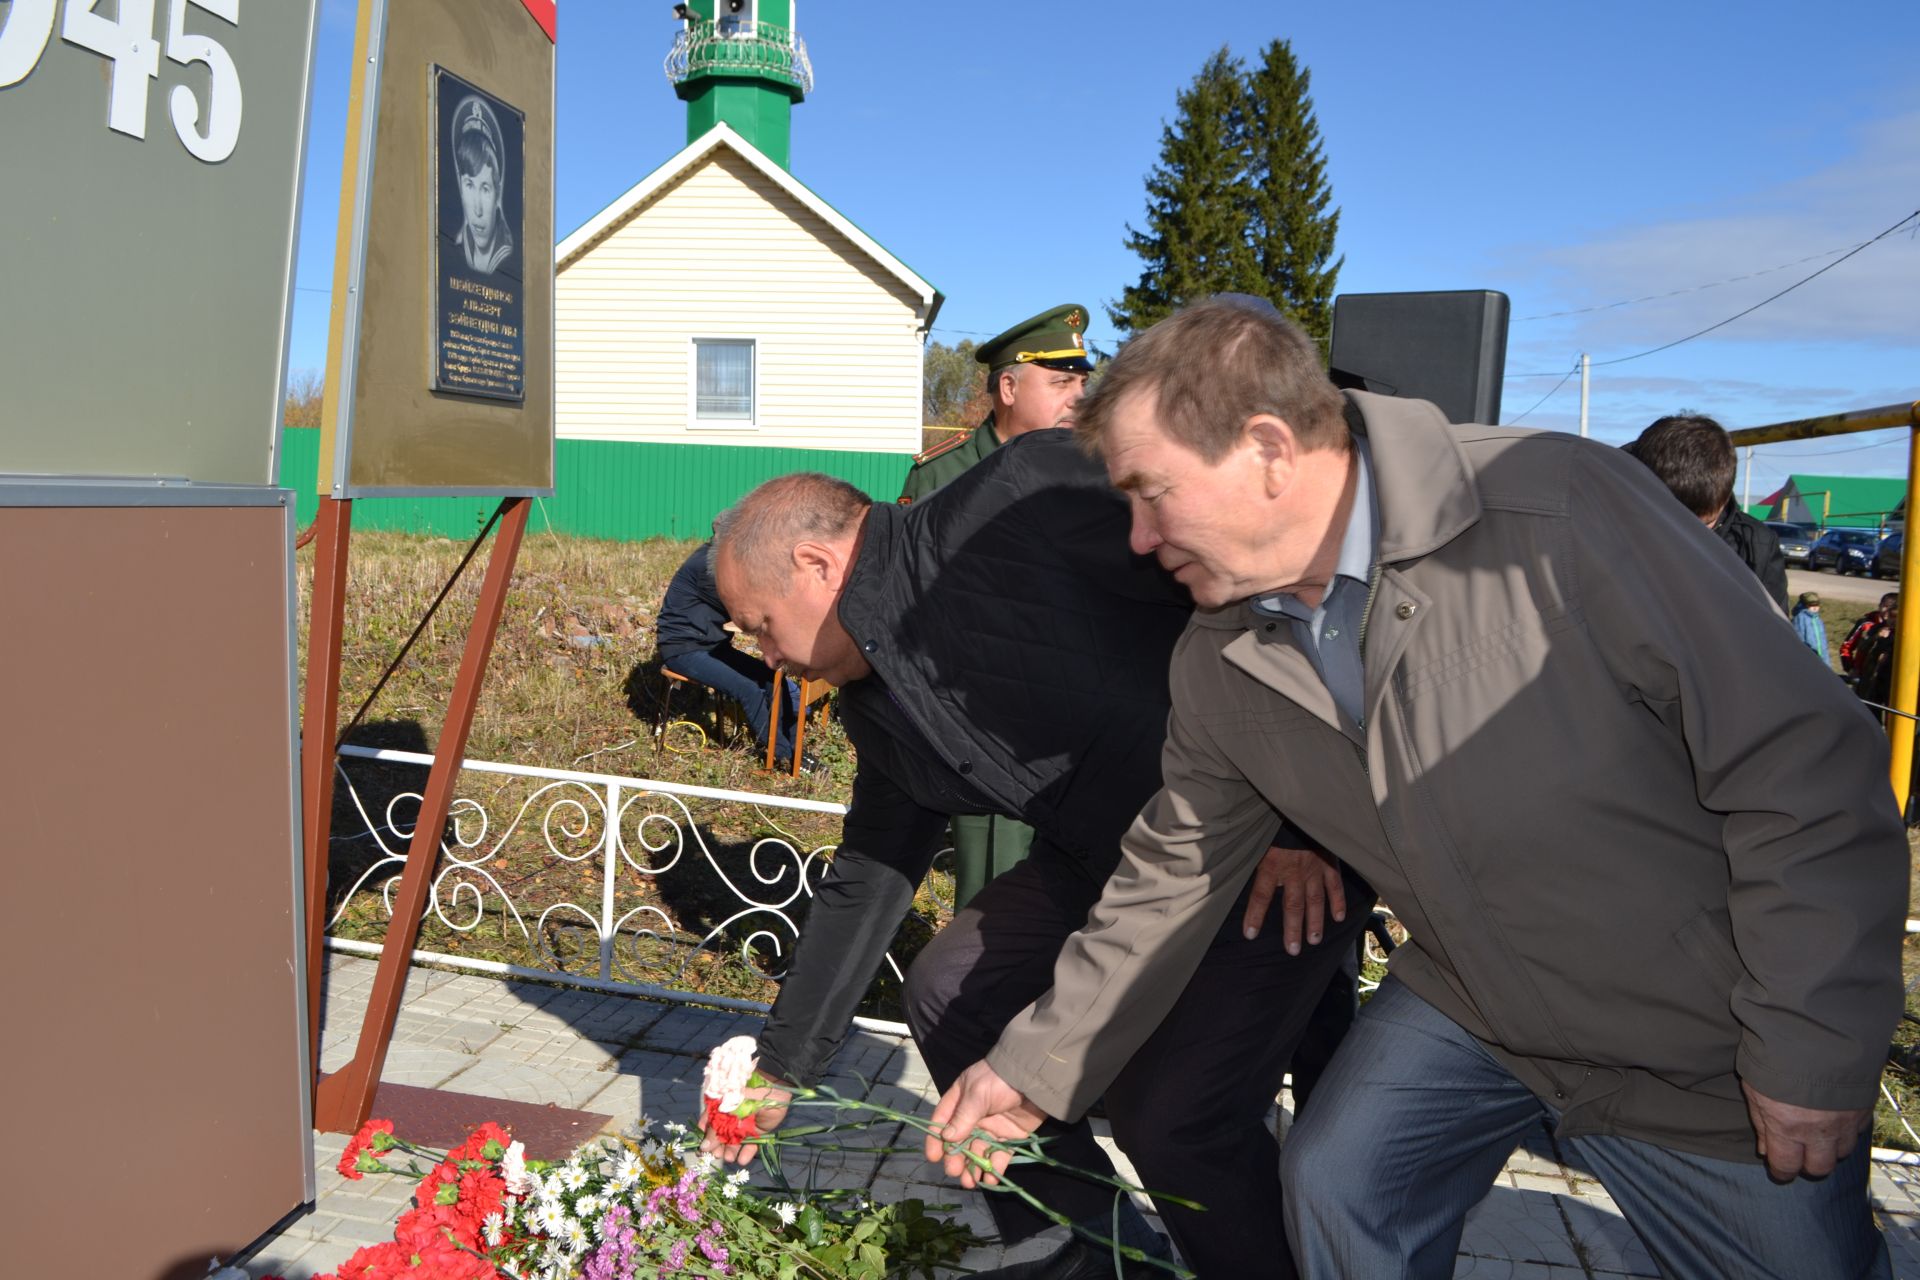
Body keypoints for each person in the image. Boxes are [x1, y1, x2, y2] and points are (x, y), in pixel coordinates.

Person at [929, 299, 1906, 1280]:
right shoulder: (1221, 655)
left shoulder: (1556, 508)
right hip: (1474, 996)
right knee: (1340, 1180)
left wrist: (1810, 1040)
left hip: (1700, 1032)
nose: (1138, 537)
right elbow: (1167, 878)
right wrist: (1034, 1068)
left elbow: (1806, 761)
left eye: (1152, 493)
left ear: (1269, 449)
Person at [702, 441, 1371, 1280]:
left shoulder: (1020, 499)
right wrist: (781, 1068)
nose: (766, 655)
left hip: (1264, 839)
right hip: (1115, 859)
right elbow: (870, 873)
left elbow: (1258, 574)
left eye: (761, 625)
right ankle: (1097, 1251)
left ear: (815, 563)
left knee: (1172, 1119)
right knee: (949, 991)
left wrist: (1299, 810)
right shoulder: (876, 705)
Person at [899, 305, 1097, 908]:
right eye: (1062, 382)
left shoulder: (1092, 473)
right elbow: (908, 604)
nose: (1079, 398)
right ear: (1008, 387)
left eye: (1083, 383)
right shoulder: (943, 477)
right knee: (990, 885)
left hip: (1079, 724)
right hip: (981, 719)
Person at [654, 540, 798, 769]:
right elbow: (744, 609)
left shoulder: (722, 562)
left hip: (711, 646)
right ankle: (782, 757)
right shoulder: (707, 567)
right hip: (683, 649)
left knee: (772, 677)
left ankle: (794, 747)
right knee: (748, 690)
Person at [1623, 413, 1788, 611]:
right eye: (1672, 525)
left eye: (1705, 525)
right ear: (1643, 493)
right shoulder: (1600, 525)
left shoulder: (1755, 546)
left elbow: (1773, 633)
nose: (1688, 539)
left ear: (1724, 497)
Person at [450, 94, 514, 276]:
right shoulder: (458, 247)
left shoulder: (508, 258)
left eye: (485, 189)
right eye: (469, 185)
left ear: (497, 193)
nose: (477, 210)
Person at [1843, 592, 1898, 677]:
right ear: (1879, 605)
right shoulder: (1867, 624)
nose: (1887, 611)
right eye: (1885, 606)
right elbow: (1847, 647)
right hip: (1862, 674)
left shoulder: (1900, 631)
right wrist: (1850, 668)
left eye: (1892, 610)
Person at [1792, 591, 1830, 663]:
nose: (1815, 608)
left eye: (1817, 605)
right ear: (1804, 605)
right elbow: (1799, 638)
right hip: (1808, 657)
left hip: (1821, 655)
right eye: (1811, 606)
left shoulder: (1818, 620)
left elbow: (1823, 640)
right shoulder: (1800, 619)